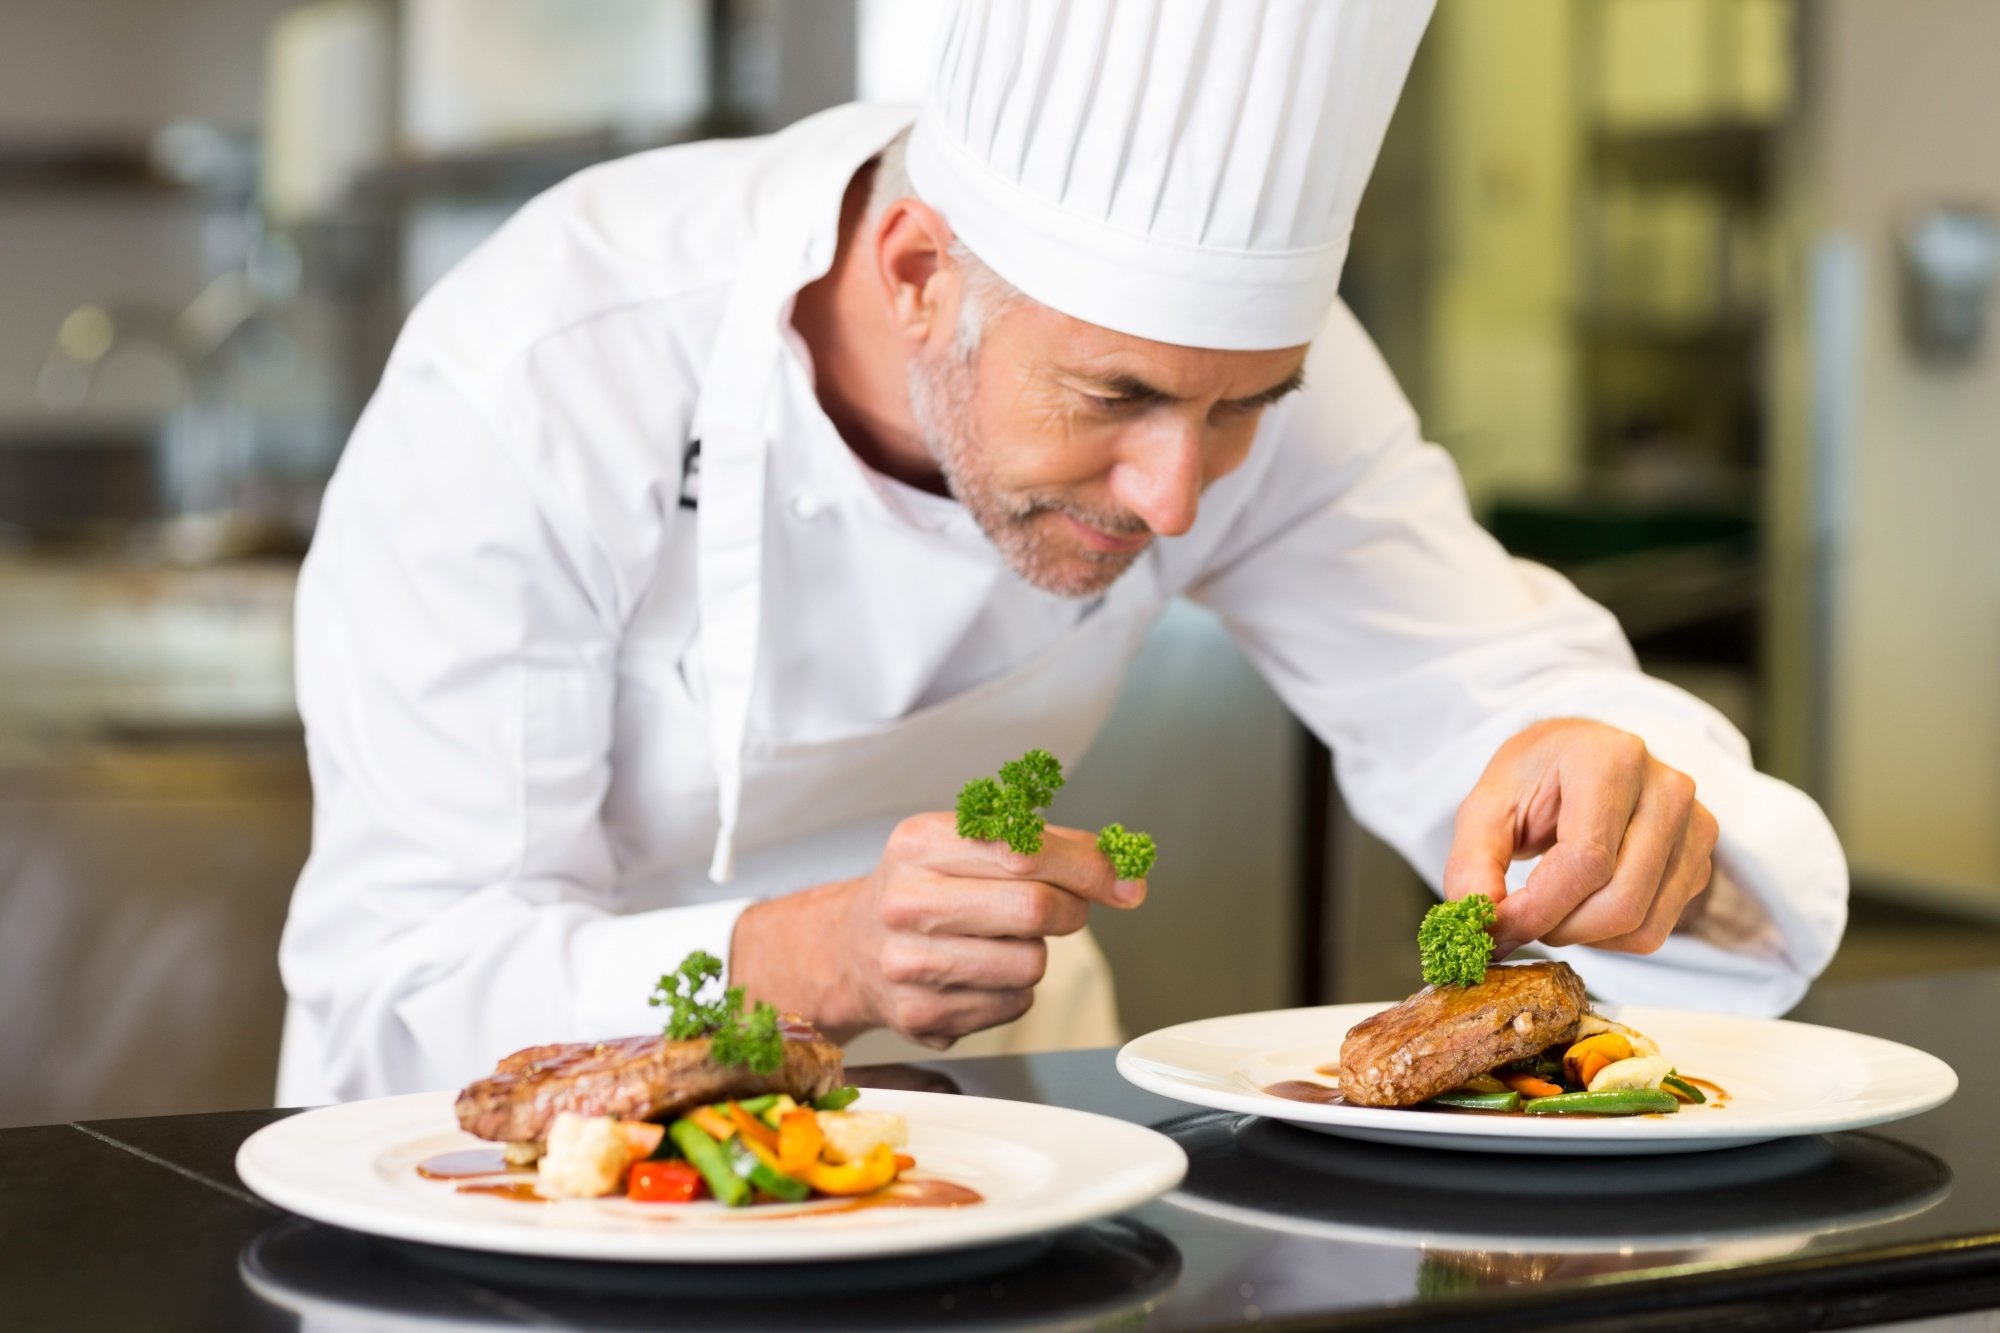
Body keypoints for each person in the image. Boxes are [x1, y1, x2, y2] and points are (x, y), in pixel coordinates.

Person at [276, 0, 1846, 1105]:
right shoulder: (547, 365)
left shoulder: (1241, 373)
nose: (1176, 496)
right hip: (530, 1210)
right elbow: (405, 983)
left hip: (1004, 1141)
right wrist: (814, 954)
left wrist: (1613, 785)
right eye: (1114, 398)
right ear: (915, 273)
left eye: (1242, 409)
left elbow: (1479, 684)